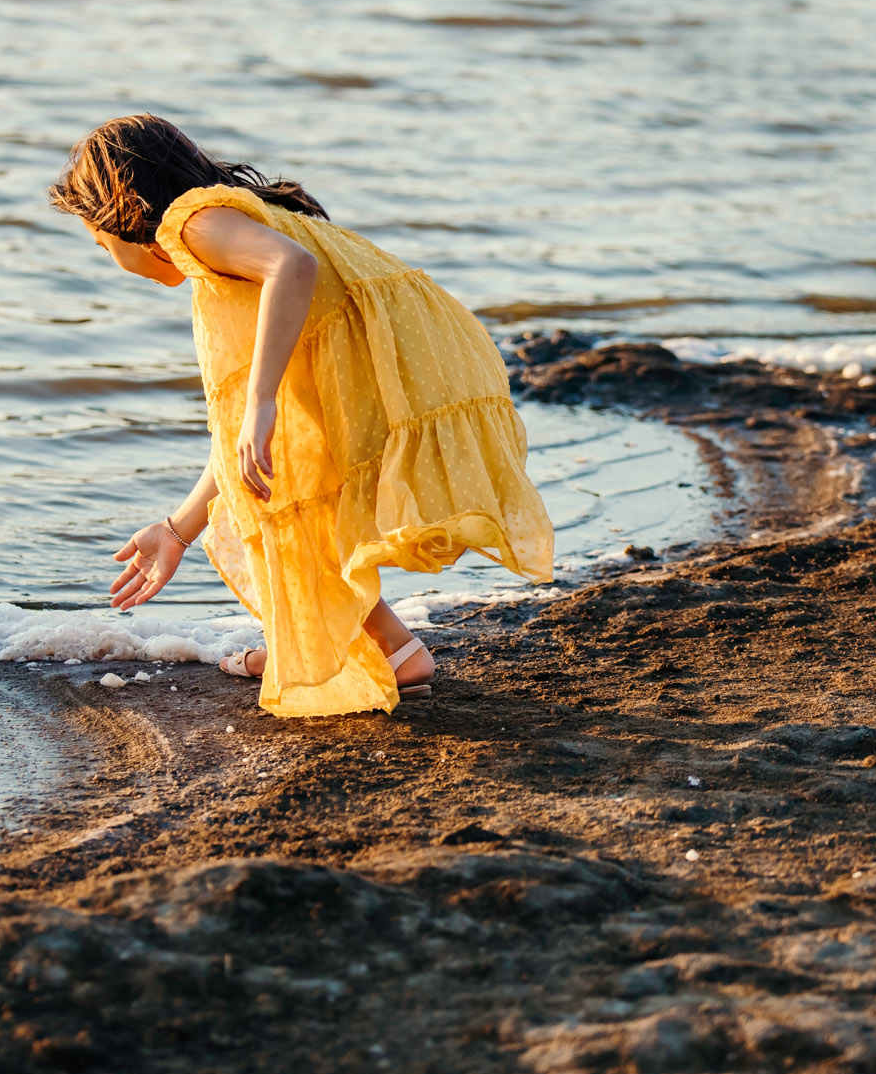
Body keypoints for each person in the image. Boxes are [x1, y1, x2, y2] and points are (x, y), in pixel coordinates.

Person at [48, 115, 554, 717]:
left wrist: (261, 401)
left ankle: (323, 652)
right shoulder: (232, 226)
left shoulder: (192, 223)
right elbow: (242, 442)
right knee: (270, 487)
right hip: (413, 357)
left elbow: (292, 266)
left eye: (103, 244)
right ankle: (389, 650)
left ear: (121, 212)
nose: (112, 259)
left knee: (276, 502)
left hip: (390, 367)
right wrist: (178, 528)